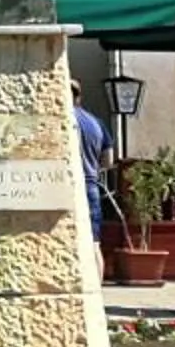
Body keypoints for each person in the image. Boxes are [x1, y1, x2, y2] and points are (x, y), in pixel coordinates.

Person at [72, 81, 111, 244]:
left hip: (67, 187)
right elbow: (108, 161)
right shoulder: (96, 123)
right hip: (91, 185)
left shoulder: (61, 121)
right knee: (93, 242)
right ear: (78, 97)